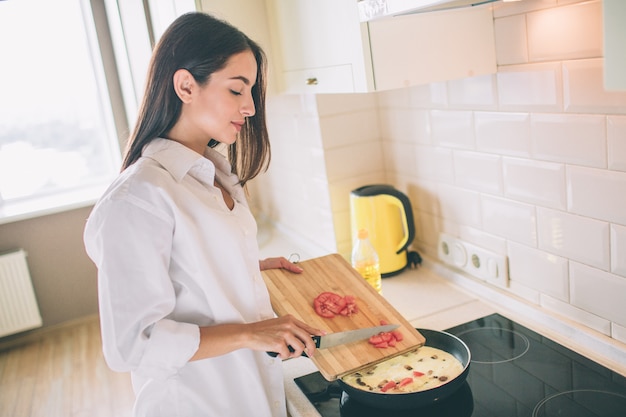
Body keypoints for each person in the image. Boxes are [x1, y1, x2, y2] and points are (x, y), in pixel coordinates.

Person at [83, 12, 323, 417]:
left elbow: (186, 271)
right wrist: (250, 333)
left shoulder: (213, 173)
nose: (249, 107)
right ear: (185, 85)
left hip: (254, 392)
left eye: (252, 92)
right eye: (236, 90)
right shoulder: (137, 198)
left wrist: (246, 265)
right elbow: (132, 345)